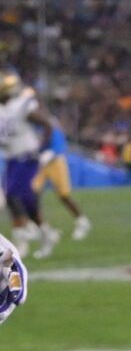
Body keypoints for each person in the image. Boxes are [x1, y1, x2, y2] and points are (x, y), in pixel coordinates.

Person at [0, 69, 61, 260]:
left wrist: (42, 148)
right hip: (12, 158)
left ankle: (23, 234)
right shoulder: (2, 111)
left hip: (27, 157)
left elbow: (47, 124)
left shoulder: (21, 106)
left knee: (11, 194)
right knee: (27, 201)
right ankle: (46, 234)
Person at [34, 122, 91, 242]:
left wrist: (52, 152)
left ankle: (82, 221)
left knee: (64, 195)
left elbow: (59, 142)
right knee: (33, 194)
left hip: (55, 160)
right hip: (39, 161)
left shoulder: (47, 121)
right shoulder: (28, 121)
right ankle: (39, 227)